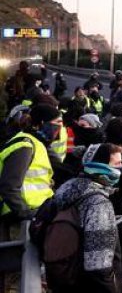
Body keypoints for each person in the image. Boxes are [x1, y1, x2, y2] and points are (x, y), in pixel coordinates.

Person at [51, 143, 122, 293]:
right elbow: (99, 265)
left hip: (69, 275)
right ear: (100, 166)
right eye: (117, 163)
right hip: (89, 284)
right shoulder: (98, 203)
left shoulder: (69, 187)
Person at [0, 104, 58, 292]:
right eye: (56, 123)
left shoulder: (33, 143)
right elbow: (9, 186)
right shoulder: (25, 145)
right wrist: (26, 214)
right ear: (41, 123)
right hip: (19, 222)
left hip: (31, 218)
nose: (59, 129)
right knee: (19, 277)